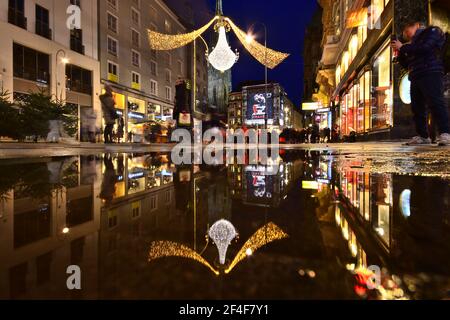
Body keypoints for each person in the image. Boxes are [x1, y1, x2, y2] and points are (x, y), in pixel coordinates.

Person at [393, 20, 450, 146]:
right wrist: (401, 53)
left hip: (431, 71)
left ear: (417, 24)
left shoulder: (433, 32)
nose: (406, 33)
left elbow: (425, 48)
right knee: (417, 108)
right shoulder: (412, 43)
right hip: (416, 74)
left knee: (436, 102)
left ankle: (445, 133)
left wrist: (403, 47)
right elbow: (407, 64)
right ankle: (423, 136)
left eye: (408, 29)